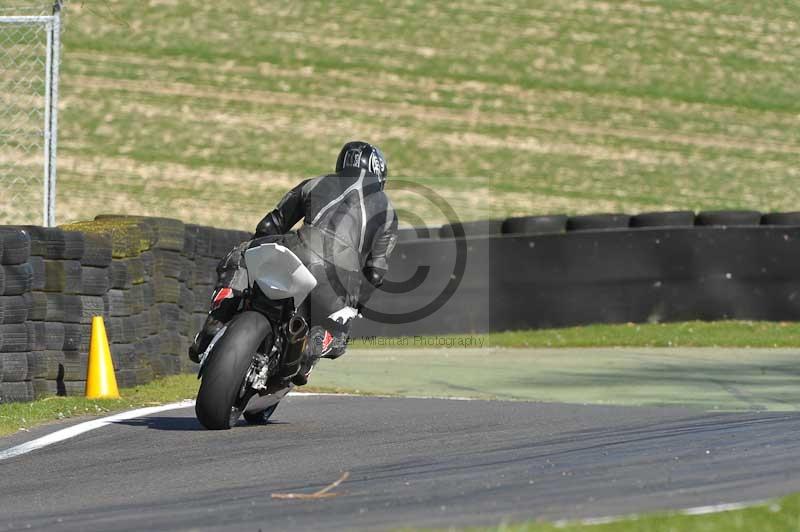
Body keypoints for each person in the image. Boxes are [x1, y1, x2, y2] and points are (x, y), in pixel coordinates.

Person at [189, 141, 398, 386]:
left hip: (298, 249)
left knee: (240, 255)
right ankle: (316, 346)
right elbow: (375, 273)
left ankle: (217, 318)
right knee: (339, 331)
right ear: (379, 173)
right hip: (341, 278)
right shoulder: (389, 213)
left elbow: (270, 225)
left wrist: (258, 252)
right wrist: (356, 306)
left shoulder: (315, 183)